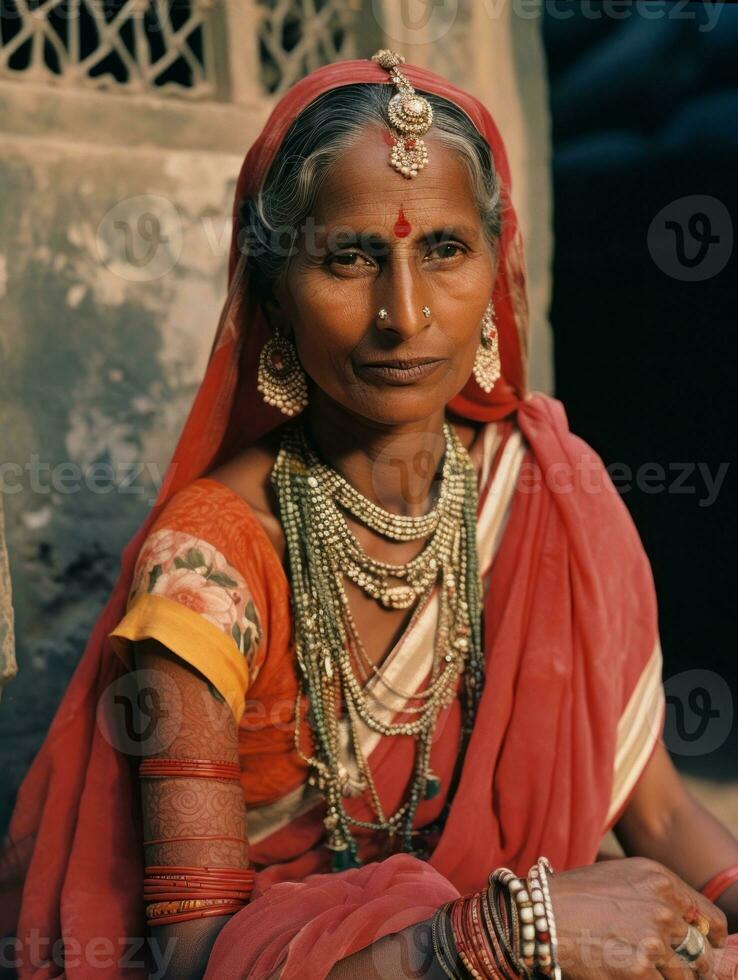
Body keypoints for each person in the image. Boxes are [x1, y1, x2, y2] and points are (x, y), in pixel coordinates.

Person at [1, 50, 737, 980]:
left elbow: (661, 811)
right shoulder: (210, 565)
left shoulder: (549, 489)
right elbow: (192, 958)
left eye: (444, 250)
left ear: (494, 269)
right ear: (273, 294)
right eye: (350, 258)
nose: (404, 313)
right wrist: (495, 938)